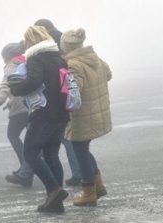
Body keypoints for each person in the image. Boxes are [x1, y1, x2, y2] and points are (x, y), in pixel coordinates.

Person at [9, 25, 69, 213]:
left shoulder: (36, 57)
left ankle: (54, 189)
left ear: (33, 40)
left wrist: (16, 89)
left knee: (30, 153)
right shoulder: (58, 57)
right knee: (51, 155)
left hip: (43, 113)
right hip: (61, 113)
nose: (26, 45)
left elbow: (34, 80)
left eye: (28, 41)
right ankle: (56, 203)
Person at [60, 28, 112, 206]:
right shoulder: (94, 58)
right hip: (97, 111)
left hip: (82, 116)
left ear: (66, 47)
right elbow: (109, 74)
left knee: (79, 150)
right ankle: (98, 186)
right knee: (83, 149)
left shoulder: (73, 63)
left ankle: (89, 192)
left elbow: (76, 89)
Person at [34, 18, 82, 186]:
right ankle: (80, 173)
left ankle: (78, 174)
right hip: (64, 101)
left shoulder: (50, 43)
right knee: (65, 140)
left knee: (62, 142)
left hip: (58, 101)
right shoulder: (61, 39)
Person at [0, 41, 32, 181]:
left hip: (20, 109)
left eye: (4, 57)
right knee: (32, 139)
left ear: (9, 56)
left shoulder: (11, 66)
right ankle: (26, 168)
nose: (3, 60)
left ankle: (25, 166)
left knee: (12, 135)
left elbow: (6, 84)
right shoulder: (28, 62)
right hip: (32, 106)